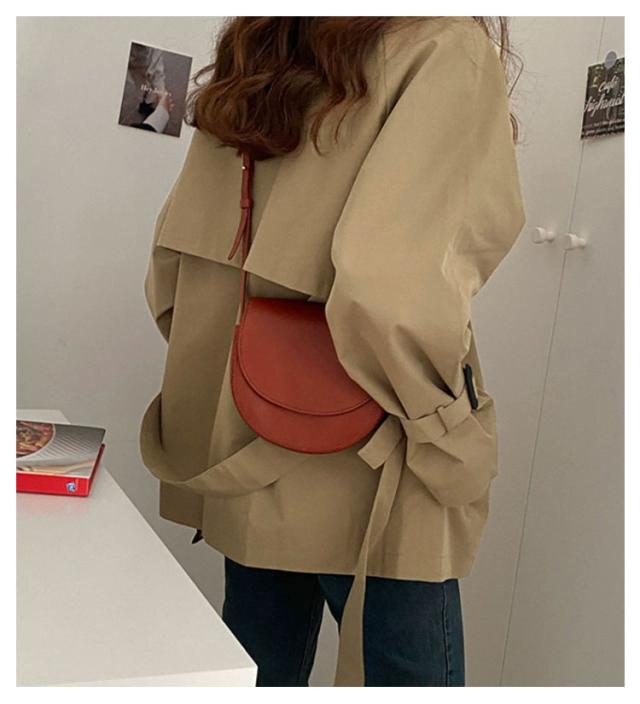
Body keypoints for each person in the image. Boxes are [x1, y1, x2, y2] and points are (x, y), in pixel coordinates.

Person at [139, 16, 526, 687]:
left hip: (245, 435)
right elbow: (389, 291)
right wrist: (447, 434)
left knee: (260, 670)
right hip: (378, 450)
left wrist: (254, 382)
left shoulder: (262, 43)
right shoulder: (443, 45)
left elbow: (171, 272)